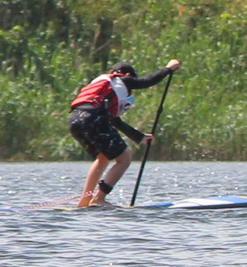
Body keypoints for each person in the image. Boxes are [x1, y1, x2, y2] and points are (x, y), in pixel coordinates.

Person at [68, 60, 180, 208]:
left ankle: (84, 202)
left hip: (74, 120)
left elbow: (115, 121)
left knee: (102, 159)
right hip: (92, 118)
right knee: (125, 158)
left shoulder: (101, 85)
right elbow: (147, 81)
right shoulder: (122, 79)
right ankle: (98, 199)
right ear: (127, 75)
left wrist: (140, 138)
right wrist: (168, 69)